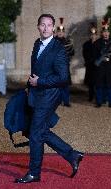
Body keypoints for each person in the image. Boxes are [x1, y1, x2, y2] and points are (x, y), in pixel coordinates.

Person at [15, 14, 84, 184]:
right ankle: (72, 155)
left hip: (50, 95)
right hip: (36, 94)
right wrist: (28, 85)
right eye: (42, 25)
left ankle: (34, 173)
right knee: (41, 131)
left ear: (53, 28)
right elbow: (35, 69)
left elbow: (64, 77)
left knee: (36, 133)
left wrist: (40, 82)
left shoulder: (59, 49)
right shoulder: (37, 44)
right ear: (38, 27)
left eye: (49, 25)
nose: (46, 28)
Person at [93, 18, 111, 108]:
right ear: (102, 33)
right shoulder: (97, 43)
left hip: (110, 66)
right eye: (104, 32)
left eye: (107, 32)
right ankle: (99, 102)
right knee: (99, 85)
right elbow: (94, 55)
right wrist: (101, 58)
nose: (106, 33)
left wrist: (109, 56)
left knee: (110, 85)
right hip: (100, 67)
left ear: (109, 33)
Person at [55, 17, 75, 107]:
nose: (60, 33)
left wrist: (68, 51)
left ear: (64, 33)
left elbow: (72, 53)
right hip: (55, 66)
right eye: (59, 32)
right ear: (56, 32)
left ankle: (66, 101)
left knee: (65, 85)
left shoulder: (68, 41)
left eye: (62, 32)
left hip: (64, 66)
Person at [82, 24, 98, 102]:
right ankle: (91, 96)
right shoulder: (86, 44)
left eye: (94, 34)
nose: (93, 36)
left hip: (98, 65)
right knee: (90, 82)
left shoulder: (99, 43)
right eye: (92, 34)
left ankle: (98, 97)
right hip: (90, 65)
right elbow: (85, 54)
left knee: (97, 82)